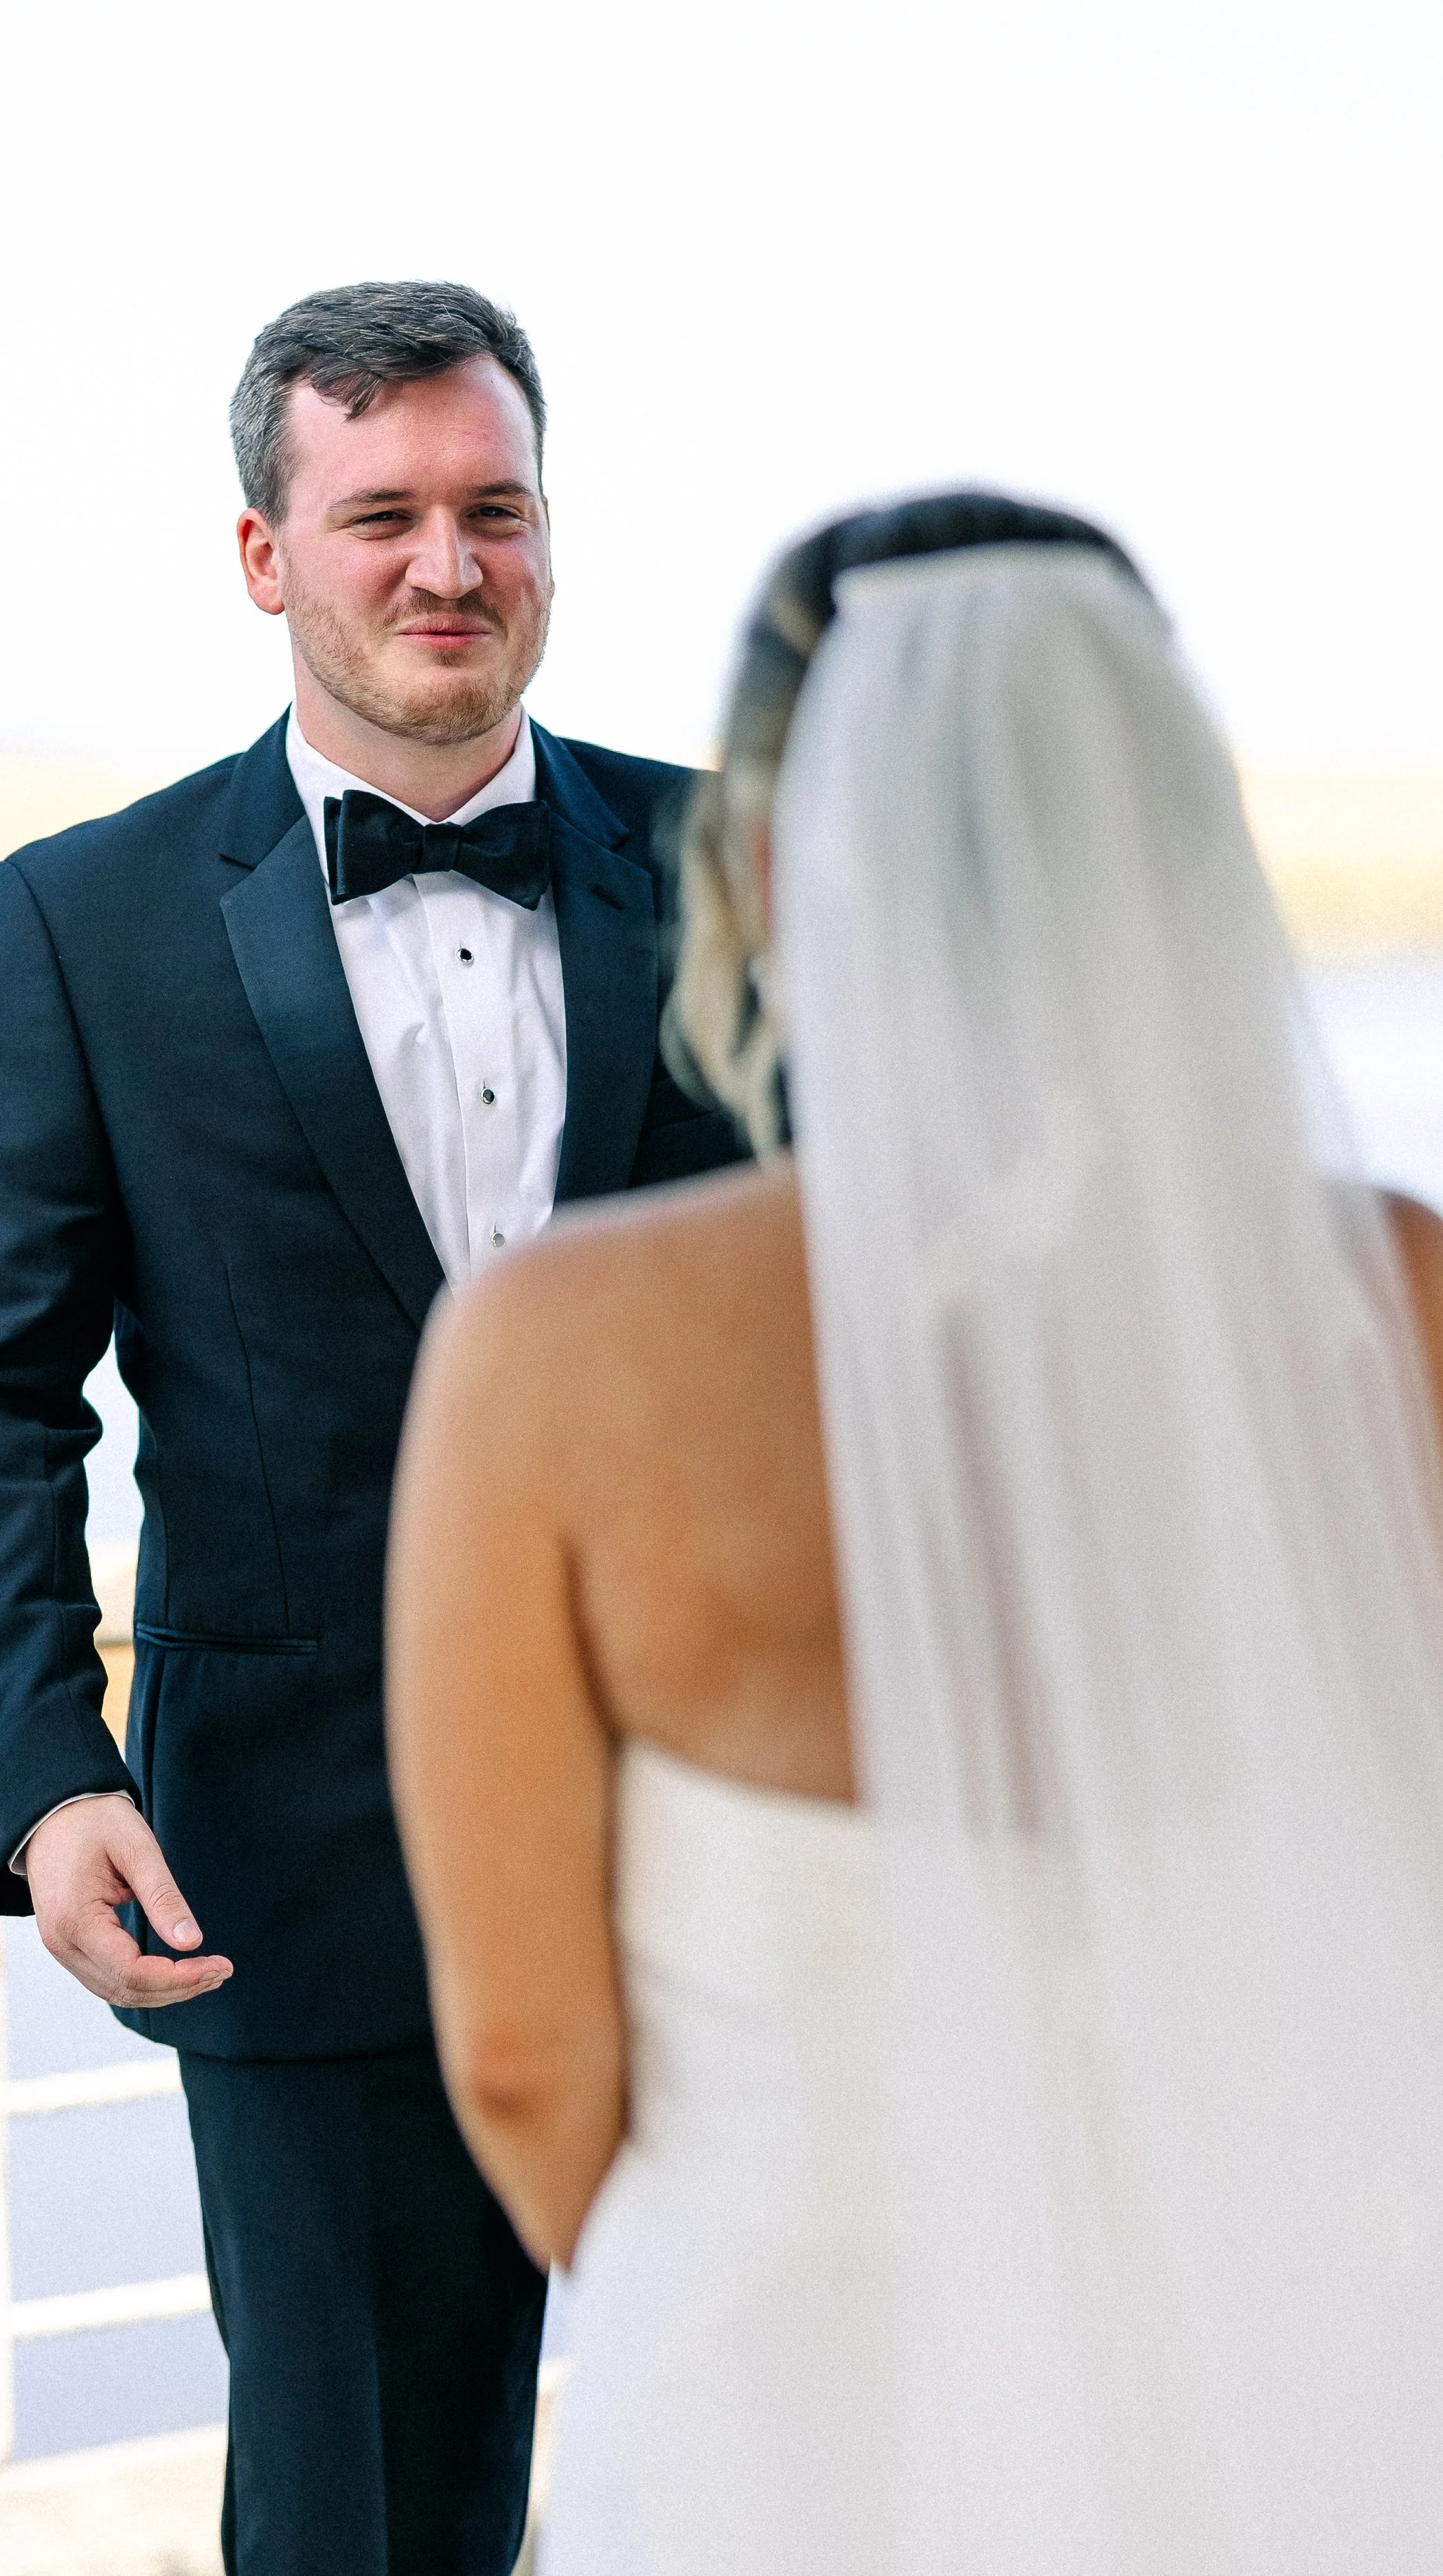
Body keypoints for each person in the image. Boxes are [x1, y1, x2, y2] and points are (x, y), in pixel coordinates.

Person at [386, 494, 1443, 2572]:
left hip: (768, 2436)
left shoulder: (550, 1358)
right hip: (1287, 2397)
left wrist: (786, 2289)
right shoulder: (1397, 1305)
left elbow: (518, 2061)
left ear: (769, 865)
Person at [0, 280, 743, 2576]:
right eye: (380, 517)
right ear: (267, 556)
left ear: (551, 534)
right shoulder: (84, 922)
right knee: (361, 2521)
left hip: (736, 1846)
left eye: (494, 508)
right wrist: (48, 1775)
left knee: (782, 2481)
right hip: (290, 1866)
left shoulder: (747, 870)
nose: (444, 566)